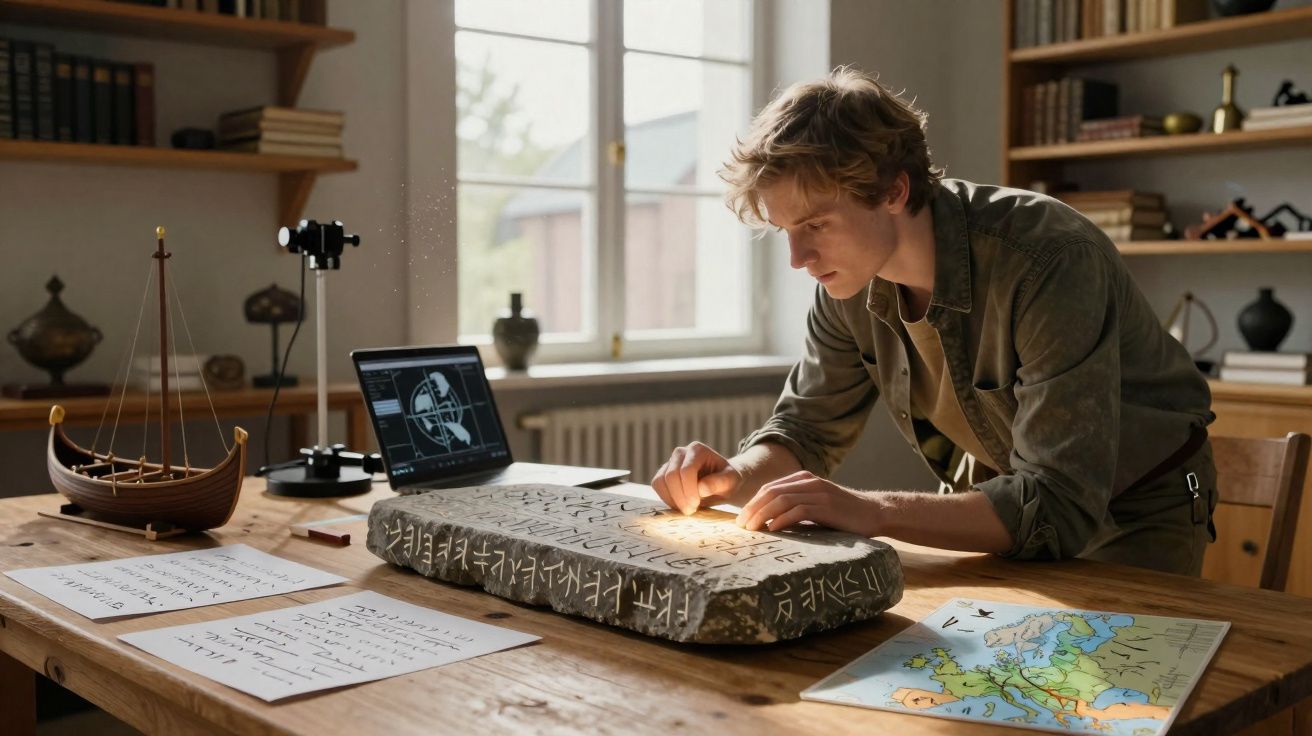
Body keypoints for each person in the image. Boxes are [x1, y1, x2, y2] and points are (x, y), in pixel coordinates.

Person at [651, 67, 1217, 575]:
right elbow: (805, 431)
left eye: (817, 225)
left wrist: (870, 509)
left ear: (894, 190)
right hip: (1002, 506)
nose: (797, 258)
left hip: (1138, 514)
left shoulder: (1050, 260)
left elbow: (1060, 506)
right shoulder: (845, 281)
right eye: (785, 231)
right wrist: (735, 475)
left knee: (1098, 688)